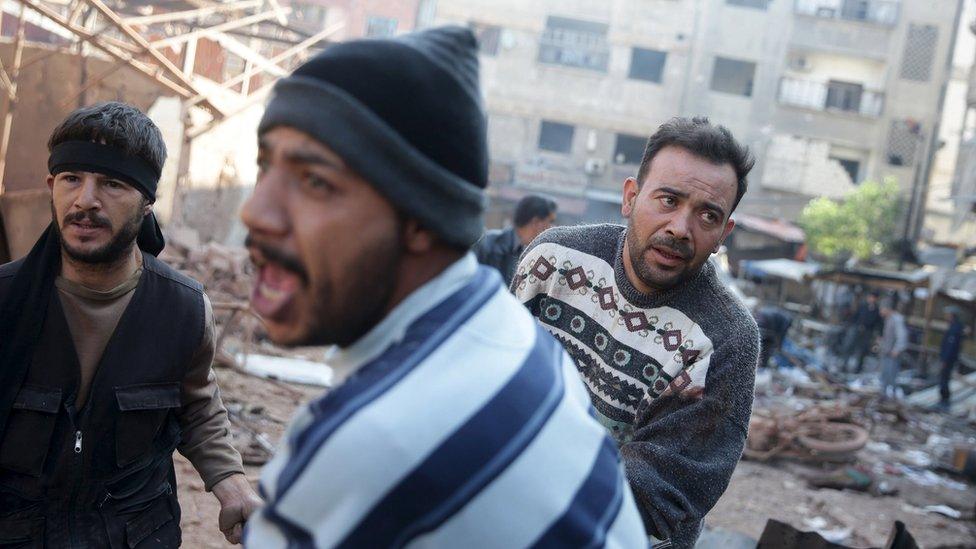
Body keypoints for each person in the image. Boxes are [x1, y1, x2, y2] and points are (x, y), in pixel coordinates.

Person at [240, 27, 646, 547]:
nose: (255, 211)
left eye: (315, 182)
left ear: (420, 220)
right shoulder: (506, 329)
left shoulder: (368, 444)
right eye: (265, 165)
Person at [0, 102, 260, 547]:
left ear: (146, 204)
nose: (85, 201)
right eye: (71, 179)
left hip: (132, 534)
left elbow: (196, 403)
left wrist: (230, 480)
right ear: (51, 186)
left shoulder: (180, 309)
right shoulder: (6, 299)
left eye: (112, 184)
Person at [513, 117, 760, 548]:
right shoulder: (553, 262)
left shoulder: (727, 339)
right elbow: (497, 382)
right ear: (630, 197)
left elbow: (656, 490)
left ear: (724, 233)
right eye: (668, 200)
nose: (681, 228)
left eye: (708, 215)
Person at [474, 194, 557, 285]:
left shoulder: (530, 254)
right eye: (550, 221)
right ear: (536, 222)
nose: (551, 228)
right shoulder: (488, 244)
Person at [839, 290, 882, 373]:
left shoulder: (876, 310)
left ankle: (858, 368)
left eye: (874, 298)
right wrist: (851, 325)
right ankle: (844, 365)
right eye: (871, 297)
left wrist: (878, 334)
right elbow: (855, 317)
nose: (872, 299)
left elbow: (878, 323)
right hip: (857, 329)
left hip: (867, 332)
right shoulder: (862, 306)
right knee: (849, 346)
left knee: (862, 350)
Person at [878, 299, 908, 400]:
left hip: (893, 352)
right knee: (884, 373)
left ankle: (892, 395)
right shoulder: (888, 319)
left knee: (892, 374)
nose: (880, 312)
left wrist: (897, 349)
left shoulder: (897, 319)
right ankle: (884, 394)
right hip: (886, 351)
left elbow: (902, 336)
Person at [938, 306, 965, 411]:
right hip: (948, 358)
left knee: (944, 379)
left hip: (948, 359)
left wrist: (945, 359)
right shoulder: (954, 326)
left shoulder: (955, 328)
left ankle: (944, 401)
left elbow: (951, 346)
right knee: (944, 378)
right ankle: (943, 400)